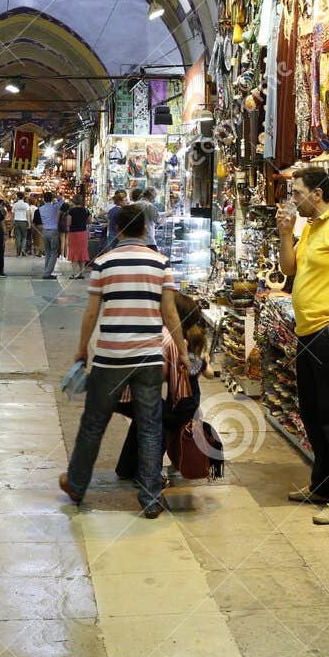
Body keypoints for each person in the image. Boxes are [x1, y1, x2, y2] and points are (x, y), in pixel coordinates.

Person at [59, 202, 186, 518]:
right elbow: (170, 313)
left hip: (111, 357)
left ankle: (76, 484)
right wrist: (182, 352)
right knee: (149, 426)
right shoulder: (161, 264)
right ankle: (151, 497)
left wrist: (81, 349)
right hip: (148, 358)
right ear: (145, 229)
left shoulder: (103, 263)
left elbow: (91, 312)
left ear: (117, 230)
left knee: (93, 424)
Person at [276, 168, 329, 524]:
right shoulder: (310, 227)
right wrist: (285, 234)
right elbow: (289, 269)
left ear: (318, 192)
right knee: (311, 411)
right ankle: (323, 485)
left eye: (298, 193)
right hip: (307, 331)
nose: (293, 199)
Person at [114, 292, 206, 483]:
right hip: (130, 392)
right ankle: (148, 477)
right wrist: (181, 417)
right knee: (162, 421)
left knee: (150, 415)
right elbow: (179, 388)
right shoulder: (173, 339)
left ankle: (127, 467)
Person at [40, 190, 64, 278]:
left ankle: (47, 270)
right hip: (53, 231)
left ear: (43, 199)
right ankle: (47, 273)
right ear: (51, 198)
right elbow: (62, 201)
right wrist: (56, 196)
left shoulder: (41, 208)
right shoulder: (55, 207)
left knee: (47, 252)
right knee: (54, 253)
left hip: (45, 231)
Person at [65, 189, 90, 276]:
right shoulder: (86, 210)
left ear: (73, 201)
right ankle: (81, 273)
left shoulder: (71, 211)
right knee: (82, 252)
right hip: (83, 233)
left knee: (74, 252)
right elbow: (89, 221)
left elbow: (68, 223)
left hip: (73, 234)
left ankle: (74, 273)